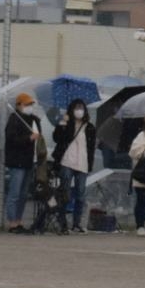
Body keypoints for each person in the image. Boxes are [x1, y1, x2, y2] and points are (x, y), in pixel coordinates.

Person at [51, 99, 94, 235]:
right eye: (77, 108)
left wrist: (90, 164)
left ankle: (77, 224)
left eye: (81, 107)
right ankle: (62, 223)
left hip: (82, 163)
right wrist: (63, 123)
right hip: (67, 161)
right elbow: (57, 138)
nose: (79, 110)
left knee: (80, 194)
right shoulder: (66, 124)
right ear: (71, 109)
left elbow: (91, 148)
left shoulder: (90, 127)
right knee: (65, 194)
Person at [1, 96, 42, 234]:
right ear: (19, 105)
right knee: (15, 192)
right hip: (17, 161)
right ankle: (12, 222)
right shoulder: (14, 119)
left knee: (24, 193)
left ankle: (18, 220)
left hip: (29, 161)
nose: (30, 106)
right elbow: (12, 139)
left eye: (31, 104)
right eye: (27, 104)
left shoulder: (33, 120)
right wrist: (28, 138)